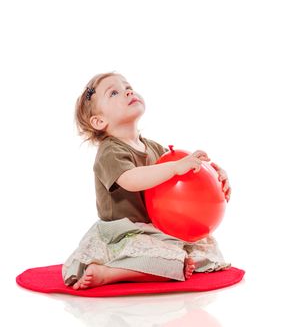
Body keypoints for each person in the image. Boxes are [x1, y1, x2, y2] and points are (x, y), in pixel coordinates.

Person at [62, 71, 232, 290]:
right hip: (123, 232)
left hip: (154, 229)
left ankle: (160, 265)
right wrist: (173, 168)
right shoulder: (110, 152)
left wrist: (215, 177)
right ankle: (110, 273)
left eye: (127, 87)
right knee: (172, 261)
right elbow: (131, 180)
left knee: (205, 250)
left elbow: (184, 179)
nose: (128, 91)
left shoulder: (153, 148)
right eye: (114, 92)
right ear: (99, 120)